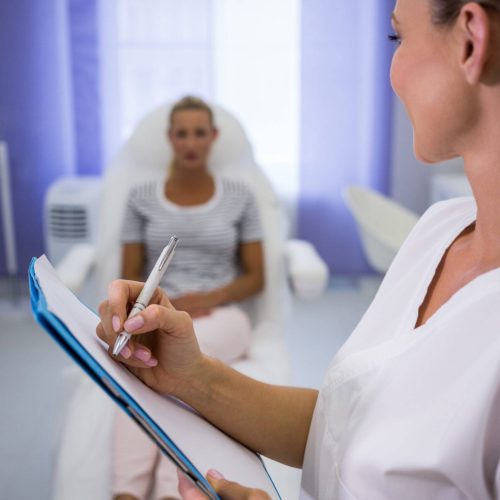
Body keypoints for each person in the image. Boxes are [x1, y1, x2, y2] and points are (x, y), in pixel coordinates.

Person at [98, 0, 500, 498]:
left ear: (469, 39)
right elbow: (345, 429)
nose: (393, 74)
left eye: (398, 38)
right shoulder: (438, 231)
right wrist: (191, 377)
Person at [112, 96, 265, 500]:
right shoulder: (140, 197)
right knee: (140, 370)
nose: (191, 142)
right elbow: (129, 276)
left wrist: (205, 297)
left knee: (173, 364)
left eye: (200, 133)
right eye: (182, 133)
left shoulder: (240, 197)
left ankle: (169, 492)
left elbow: (256, 277)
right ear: (170, 139)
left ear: (213, 137)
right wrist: (166, 307)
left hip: (221, 315)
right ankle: (125, 493)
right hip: (160, 312)